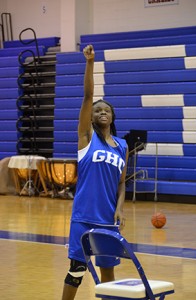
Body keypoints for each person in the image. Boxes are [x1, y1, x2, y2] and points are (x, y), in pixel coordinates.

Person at [61, 44, 128, 300]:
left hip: (108, 220)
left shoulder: (122, 146)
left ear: (112, 116)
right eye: (97, 110)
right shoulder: (86, 138)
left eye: (106, 110)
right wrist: (90, 63)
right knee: (76, 270)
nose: (101, 112)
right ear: (91, 117)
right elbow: (88, 97)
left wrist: (120, 208)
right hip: (84, 216)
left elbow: (122, 183)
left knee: (108, 274)